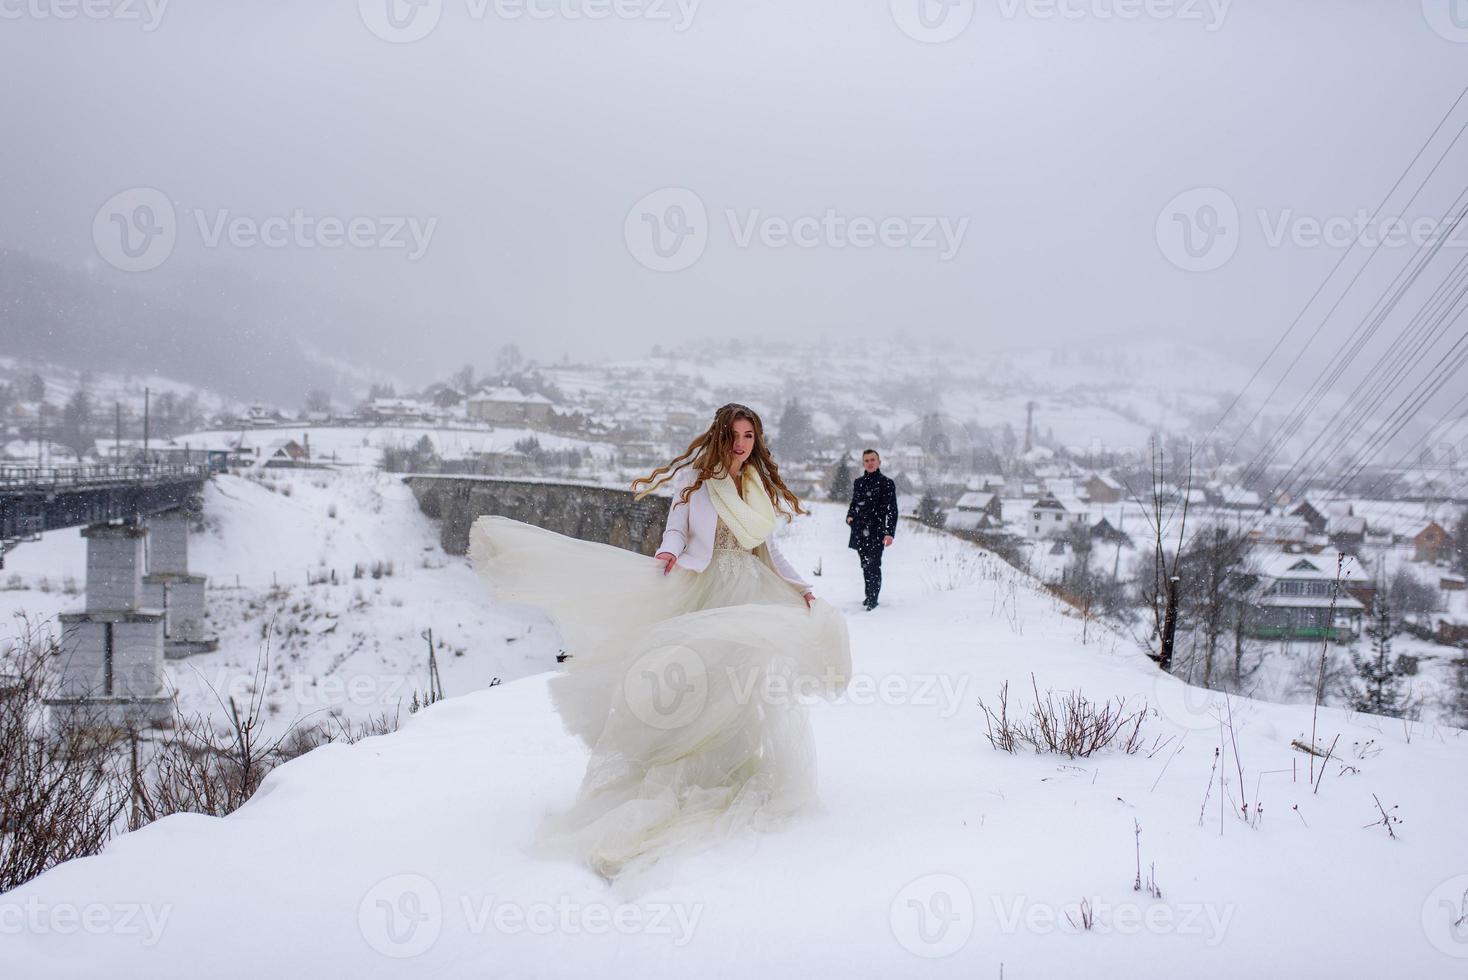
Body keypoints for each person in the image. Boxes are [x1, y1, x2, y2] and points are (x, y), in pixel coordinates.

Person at [467, 402, 850, 888]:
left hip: (749, 590)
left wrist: (800, 588)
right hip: (706, 587)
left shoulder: (754, 485)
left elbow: (769, 549)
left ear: (757, 440)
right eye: (734, 435)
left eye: (749, 436)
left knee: (743, 680)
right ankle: (690, 763)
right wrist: (669, 550)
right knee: (701, 678)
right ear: (719, 435)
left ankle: (729, 760)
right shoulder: (698, 479)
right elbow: (677, 525)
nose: (740, 444)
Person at [845, 448, 898, 610]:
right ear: (863, 463)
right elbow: (854, 503)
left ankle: (873, 599)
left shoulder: (887, 483)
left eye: (872, 460)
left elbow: (892, 510)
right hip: (860, 531)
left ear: (879, 462)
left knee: (874, 565)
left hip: (877, 532)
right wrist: (850, 515)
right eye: (866, 460)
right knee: (864, 565)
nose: (869, 463)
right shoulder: (859, 482)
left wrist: (889, 533)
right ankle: (868, 595)